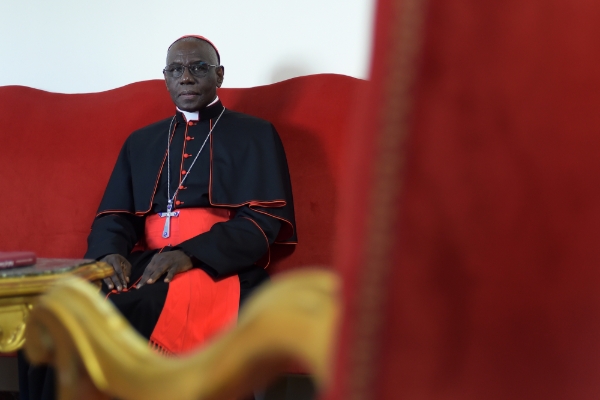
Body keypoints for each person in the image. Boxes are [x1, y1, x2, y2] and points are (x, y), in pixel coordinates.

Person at [18, 34, 296, 399]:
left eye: (198, 67)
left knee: (129, 310)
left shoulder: (254, 134)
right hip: (146, 262)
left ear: (220, 75)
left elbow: (262, 221)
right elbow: (114, 216)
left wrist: (191, 254)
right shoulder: (142, 141)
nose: (186, 77)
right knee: (52, 314)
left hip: (218, 266)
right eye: (176, 70)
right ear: (165, 78)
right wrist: (108, 255)